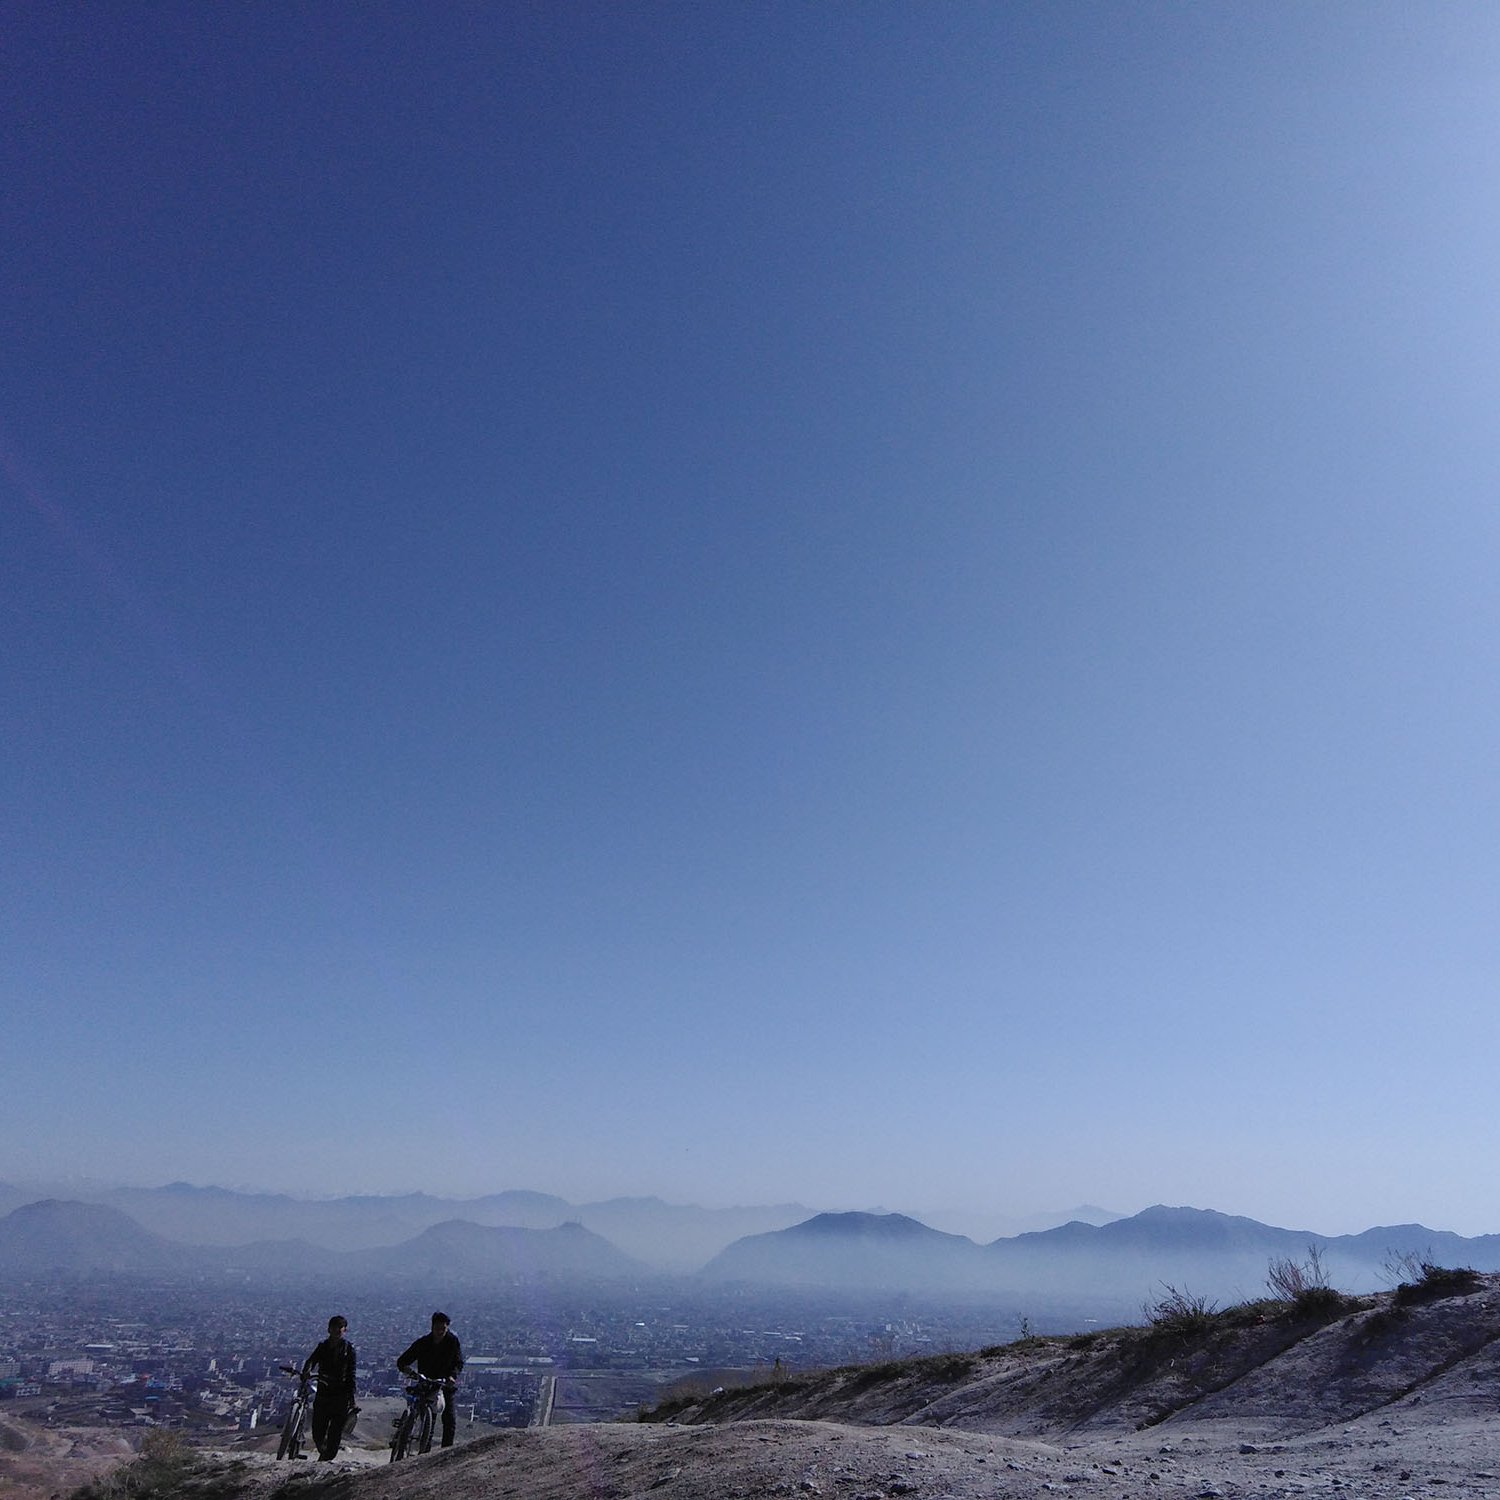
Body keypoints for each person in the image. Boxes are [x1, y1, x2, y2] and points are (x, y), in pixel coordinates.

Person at [397, 1310, 464, 1447]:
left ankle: (446, 1452)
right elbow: (403, 1361)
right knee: (428, 1420)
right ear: (432, 1327)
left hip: (444, 1384)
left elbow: (458, 1362)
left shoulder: (452, 1342)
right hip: (426, 1383)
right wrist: (410, 1372)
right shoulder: (423, 1343)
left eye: (443, 1329)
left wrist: (452, 1376)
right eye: (437, 1328)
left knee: (449, 1420)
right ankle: (424, 1450)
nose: (440, 1332)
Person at [301, 1315, 357, 1461]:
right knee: (318, 1430)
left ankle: (326, 1458)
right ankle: (323, 1452)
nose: (337, 1330)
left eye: (340, 1327)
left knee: (335, 1431)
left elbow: (352, 1373)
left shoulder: (348, 1349)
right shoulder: (323, 1347)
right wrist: (307, 1371)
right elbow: (311, 1360)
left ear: (345, 1330)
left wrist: (351, 1396)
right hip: (323, 1392)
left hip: (341, 1395)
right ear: (329, 1329)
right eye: (335, 1327)